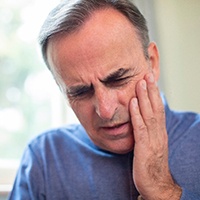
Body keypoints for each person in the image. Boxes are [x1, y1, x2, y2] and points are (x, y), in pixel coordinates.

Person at [9, 0, 200, 199]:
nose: (106, 110)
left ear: (152, 62)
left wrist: (162, 190)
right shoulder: (43, 160)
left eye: (118, 79)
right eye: (80, 91)